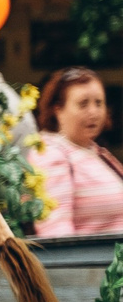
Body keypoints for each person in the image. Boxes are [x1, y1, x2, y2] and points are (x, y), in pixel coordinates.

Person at [31, 66, 123, 236]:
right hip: (91, 262)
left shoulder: (95, 151)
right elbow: (55, 231)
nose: (94, 112)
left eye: (99, 103)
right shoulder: (51, 154)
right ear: (58, 110)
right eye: (83, 104)